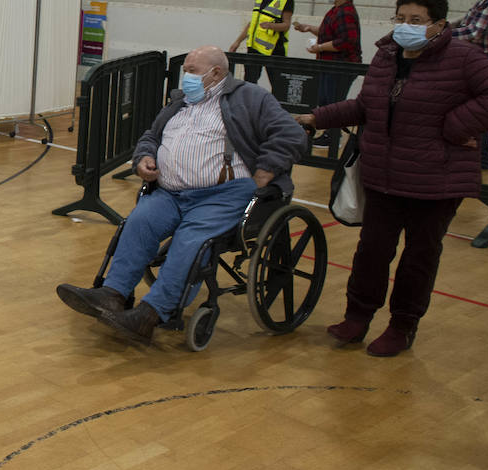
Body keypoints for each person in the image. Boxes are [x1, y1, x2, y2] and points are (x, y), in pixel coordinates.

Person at [295, 0, 488, 357]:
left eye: (416, 20)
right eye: (401, 18)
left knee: (418, 257)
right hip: (384, 176)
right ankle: (357, 316)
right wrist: (316, 118)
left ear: (438, 24)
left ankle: (402, 325)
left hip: (435, 181)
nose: (406, 26)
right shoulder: (387, 55)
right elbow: (365, 105)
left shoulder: (463, 58)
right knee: (371, 251)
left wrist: (455, 127)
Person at [55, 46, 307, 344]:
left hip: (223, 194)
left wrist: (265, 171)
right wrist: (144, 158)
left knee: (191, 239)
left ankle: (152, 313)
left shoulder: (250, 97)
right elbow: (151, 136)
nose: (185, 76)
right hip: (172, 192)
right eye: (185, 70)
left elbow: (291, 134)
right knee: (139, 221)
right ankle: (113, 293)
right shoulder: (180, 102)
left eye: (191, 71)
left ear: (216, 73)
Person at [293, 0, 363, 116]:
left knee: (333, 104)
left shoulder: (345, 12)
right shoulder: (335, 10)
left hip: (340, 66)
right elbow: (329, 33)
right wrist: (309, 28)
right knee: (325, 102)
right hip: (328, 65)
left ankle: (331, 136)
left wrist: (320, 47)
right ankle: (327, 134)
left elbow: (346, 41)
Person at [452, 0, 488, 170]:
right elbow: (466, 22)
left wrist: (439, 35)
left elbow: (474, 32)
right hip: (481, 57)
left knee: (480, 110)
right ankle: (479, 156)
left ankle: (481, 158)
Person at [229, 0, 294, 87]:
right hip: (254, 47)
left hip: (274, 48)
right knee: (249, 83)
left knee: (277, 84)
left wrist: (271, 25)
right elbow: (252, 23)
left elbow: (286, 25)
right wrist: (238, 41)